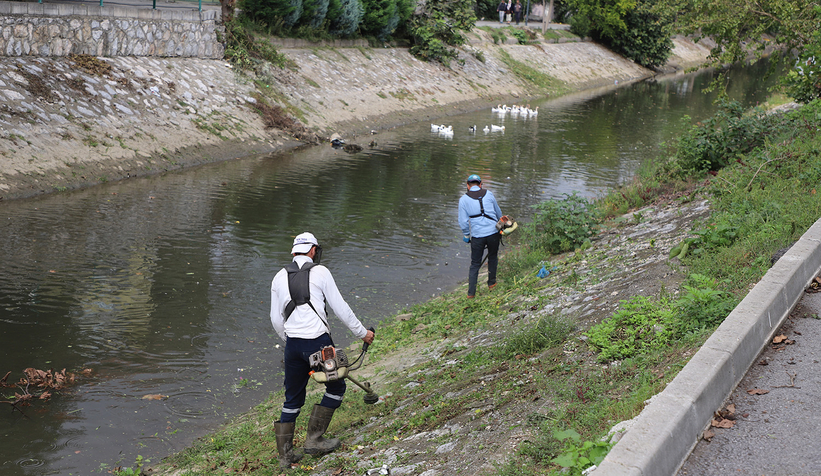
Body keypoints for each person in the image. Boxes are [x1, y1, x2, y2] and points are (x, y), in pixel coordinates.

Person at [270, 232, 375, 468]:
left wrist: (288, 340)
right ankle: (314, 440)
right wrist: (362, 333)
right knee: (336, 387)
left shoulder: (278, 276)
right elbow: (340, 308)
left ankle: (285, 457)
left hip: (293, 346)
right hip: (318, 344)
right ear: (313, 250)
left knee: (292, 399)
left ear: (294, 251)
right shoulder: (321, 272)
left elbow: (275, 319)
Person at [458, 175, 503, 299]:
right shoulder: (489, 194)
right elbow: (498, 213)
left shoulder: (463, 199)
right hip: (493, 232)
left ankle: (471, 294)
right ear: (480, 184)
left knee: (475, 264)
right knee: (493, 257)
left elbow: (463, 221)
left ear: (467, 185)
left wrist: (467, 235)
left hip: (478, 236)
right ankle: (492, 284)